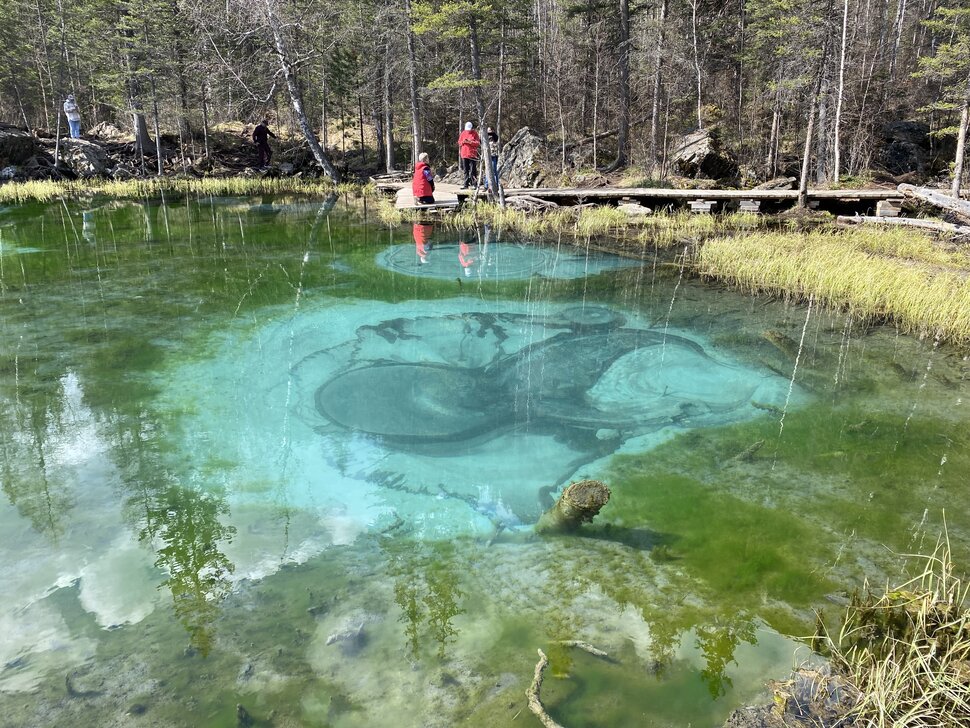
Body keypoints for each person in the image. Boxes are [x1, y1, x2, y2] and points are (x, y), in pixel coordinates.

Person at [457, 121, 481, 189]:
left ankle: (474, 184)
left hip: (472, 154)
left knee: (473, 170)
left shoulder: (475, 133)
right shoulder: (463, 133)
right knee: (465, 170)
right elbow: (459, 142)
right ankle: (466, 184)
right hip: (464, 154)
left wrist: (470, 142)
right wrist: (463, 142)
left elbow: (477, 143)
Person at [484, 127, 500, 191]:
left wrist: (491, 132)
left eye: (490, 130)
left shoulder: (494, 136)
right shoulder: (485, 136)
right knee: (487, 170)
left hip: (494, 155)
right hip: (487, 155)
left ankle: (496, 184)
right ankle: (486, 185)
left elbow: (496, 138)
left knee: (494, 170)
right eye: (488, 130)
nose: (489, 131)